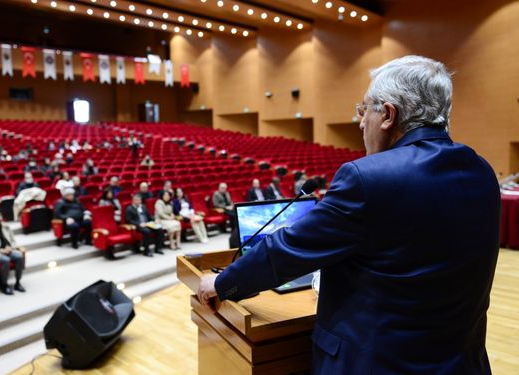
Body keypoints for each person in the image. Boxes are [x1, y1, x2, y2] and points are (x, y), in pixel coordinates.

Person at [198, 56, 500, 374]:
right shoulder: (481, 172)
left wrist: (223, 282)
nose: (359, 122)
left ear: (388, 114)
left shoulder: (368, 177)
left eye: (364, 109)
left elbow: (289, 248)